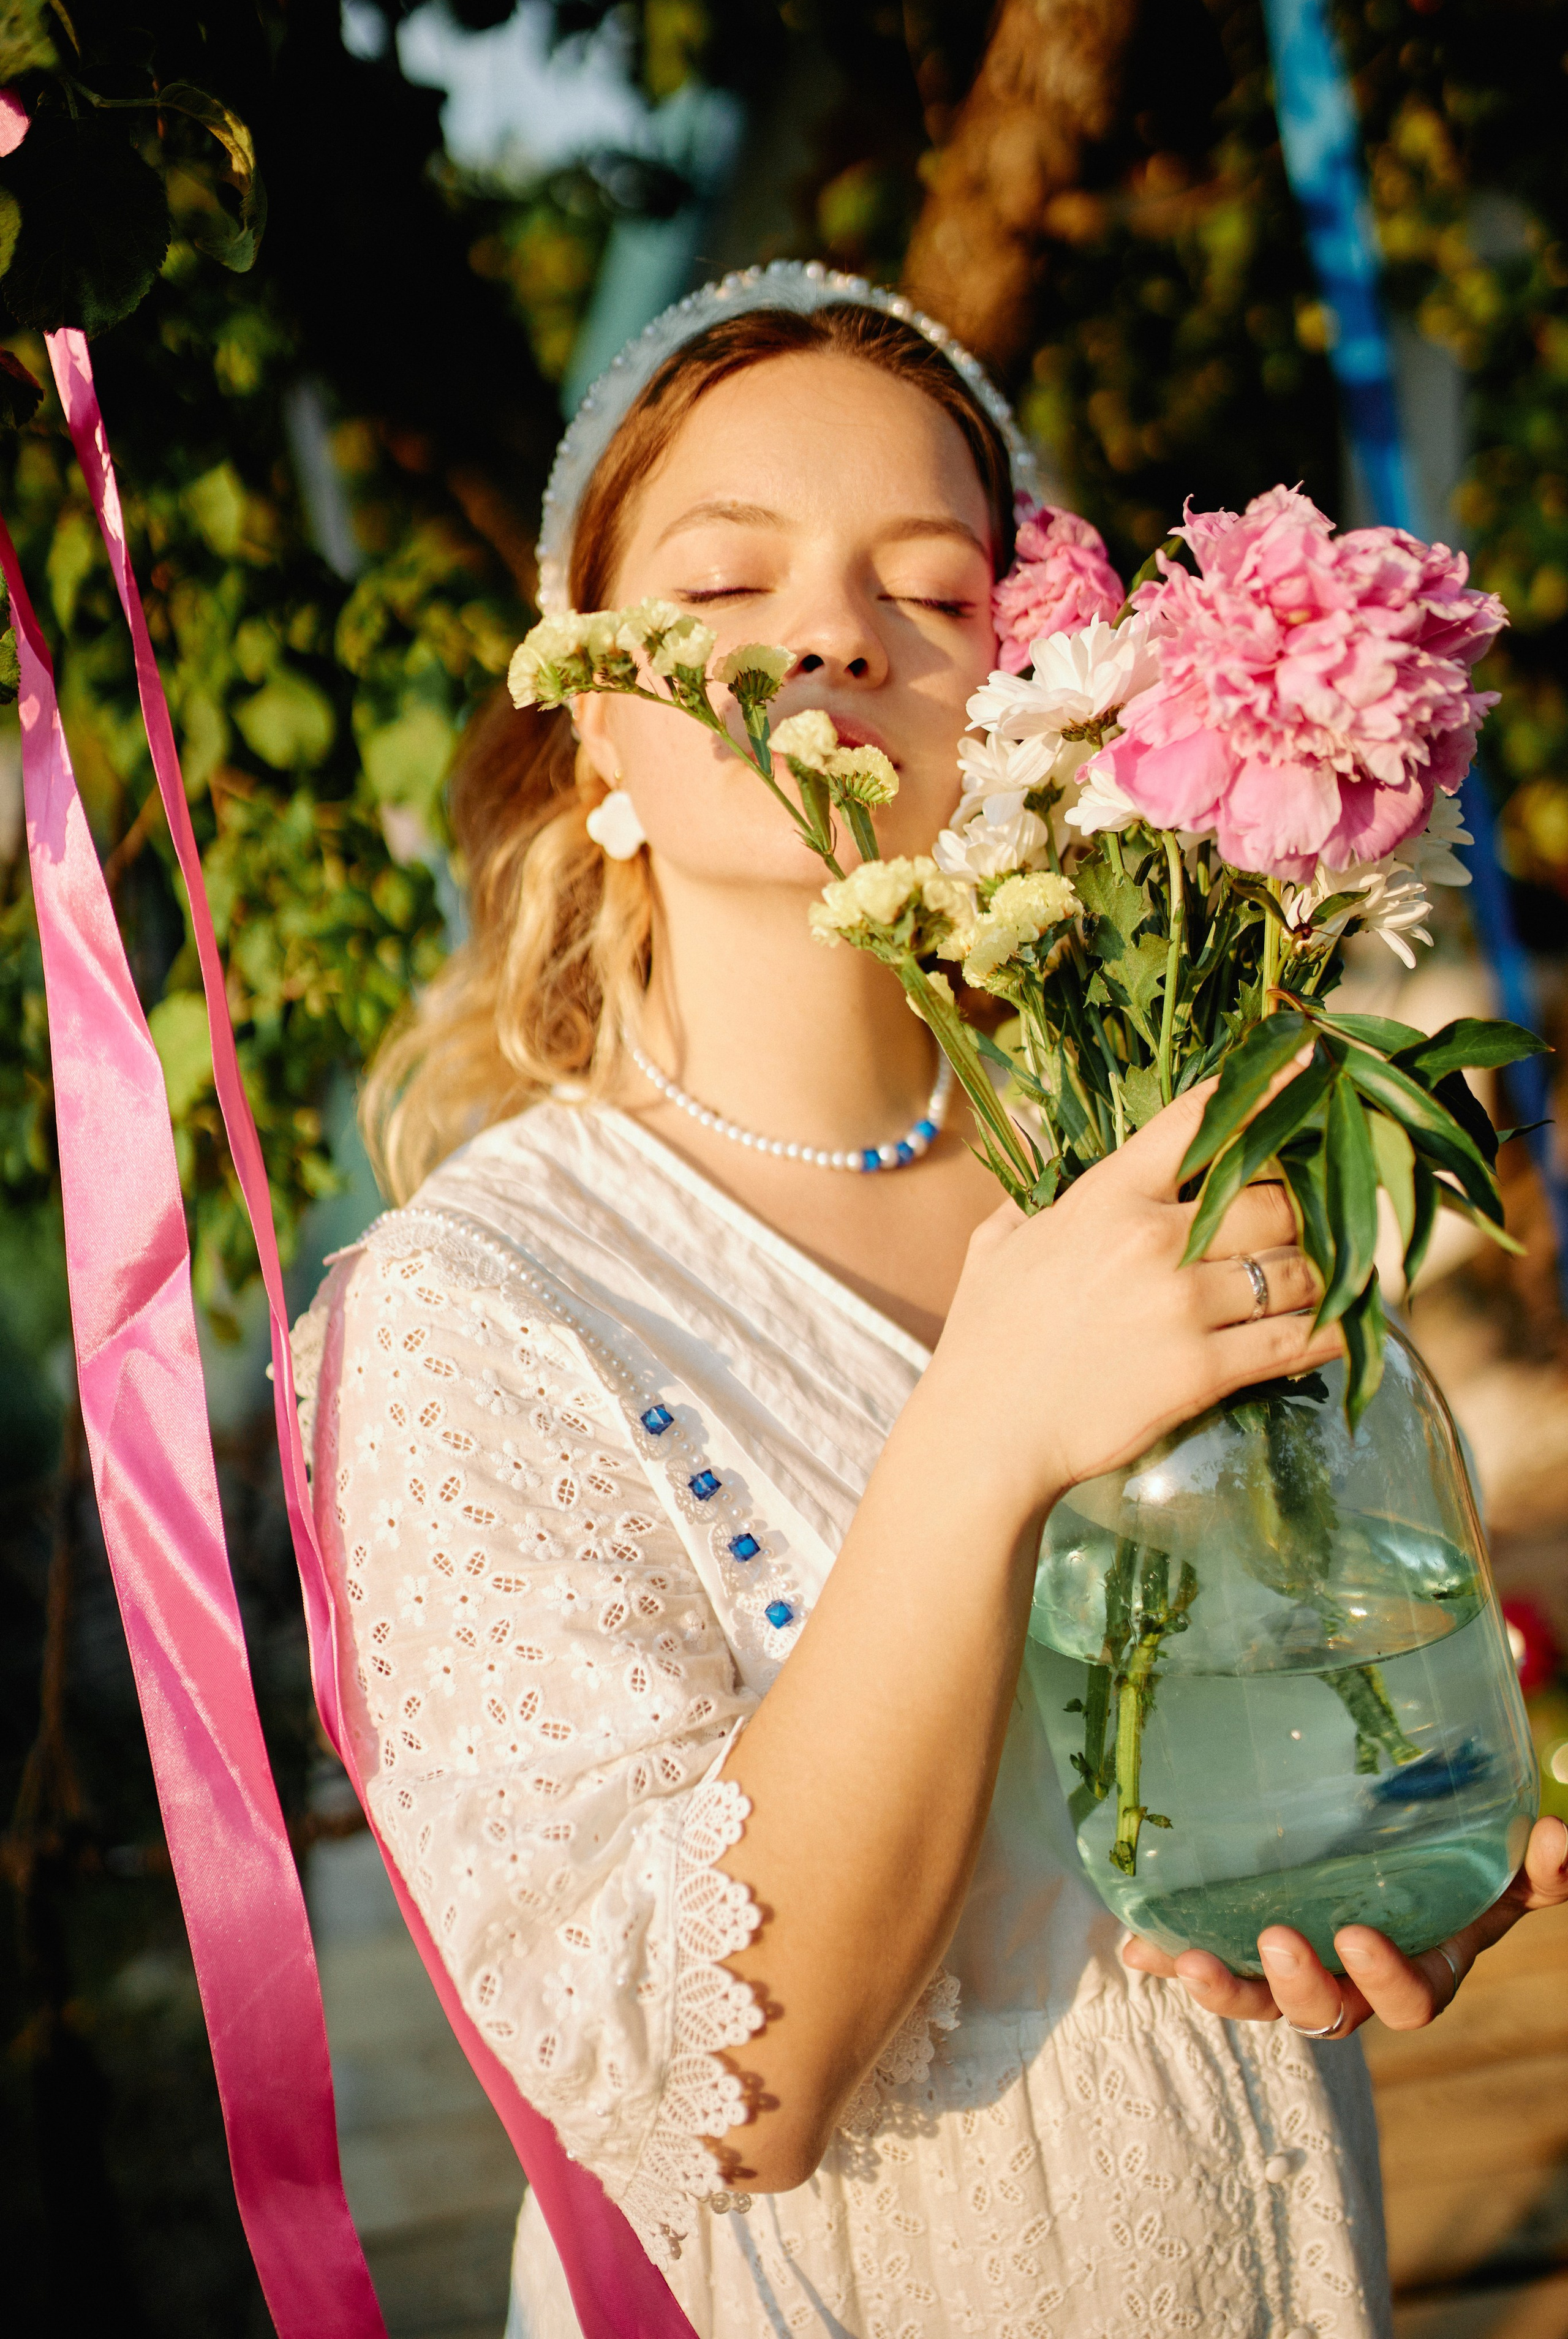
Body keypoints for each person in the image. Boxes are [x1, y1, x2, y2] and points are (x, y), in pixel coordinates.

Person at [292, 267, 1568, 2339]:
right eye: (722, 587)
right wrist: (987, 1426)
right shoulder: (464, 1319)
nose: (827, 636)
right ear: (592, 703)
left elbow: (1332, 1673)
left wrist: (1396, 1850)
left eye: (938, 593)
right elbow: (731, 2083)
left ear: (1034, 694)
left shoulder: (1167, 1163)